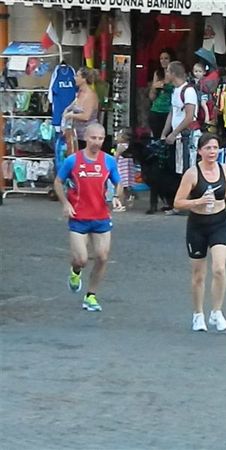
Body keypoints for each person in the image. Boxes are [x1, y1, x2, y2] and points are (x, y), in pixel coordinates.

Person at [53, 123, 123, 312]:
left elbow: (118, 183)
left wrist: (116, 197)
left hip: (101, 217)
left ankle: (90, 296)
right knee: (81, 259)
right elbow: (58, 182)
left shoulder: (108, 161)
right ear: (86, 137)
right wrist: (65, 204)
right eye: (93, 138)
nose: (97, 142)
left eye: (100, 139)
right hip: (78, 217)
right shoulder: (73, 161)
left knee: (102, 256)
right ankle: (75, 272)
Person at [174, 133, 226, 332]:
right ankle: (198, 314)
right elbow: (177, 202)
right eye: (208, 148)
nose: (212, 152)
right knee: (198, 274)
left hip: (219, 222)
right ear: (200, 151)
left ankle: (217, 312)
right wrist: (197, 201)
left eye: (215, 148)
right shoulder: (192, 174)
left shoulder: (224, 169)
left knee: (219, 268)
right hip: (197, 225)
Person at [161, 61, 200, 215]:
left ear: (173, 73)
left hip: (188, 135)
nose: (166, 74)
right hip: (179, 136)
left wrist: (174, 132)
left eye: (167, 72)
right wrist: (165, 133)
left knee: (188, 169)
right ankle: (183, 203)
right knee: (181, 169)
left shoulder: (188, 91)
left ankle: (187, 204)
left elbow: (189, 116)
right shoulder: (176, 91)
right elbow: (173, 113)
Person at [62, 67, 99, 151]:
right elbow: (73, 105)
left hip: (87, 136)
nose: (74, 78)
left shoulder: (90, 95)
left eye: (77, 76)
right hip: (77, 134)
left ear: (84, 79)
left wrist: (70, 115)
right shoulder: (80, 92)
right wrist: (66, 112)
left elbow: (86, 116)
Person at [148, 48, 175, 139]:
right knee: (157, 138)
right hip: (156, 110)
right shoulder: (158, 73)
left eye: (166, 58)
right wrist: (155, 87)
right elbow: (151, 96)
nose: (163, 61)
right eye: (161, 59)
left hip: (170, 111)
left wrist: (163, 84)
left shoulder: (175, 74)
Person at [192, 62, 211, 128]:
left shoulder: (204, 80)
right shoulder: (193, 80)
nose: (197, 73)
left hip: (203, 94)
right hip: (197, 95)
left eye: (200, 71)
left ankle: (207, 116)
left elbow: (205, 89)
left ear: (204, 72)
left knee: (203, 104)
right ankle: (195, 117)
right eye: (196, 71)